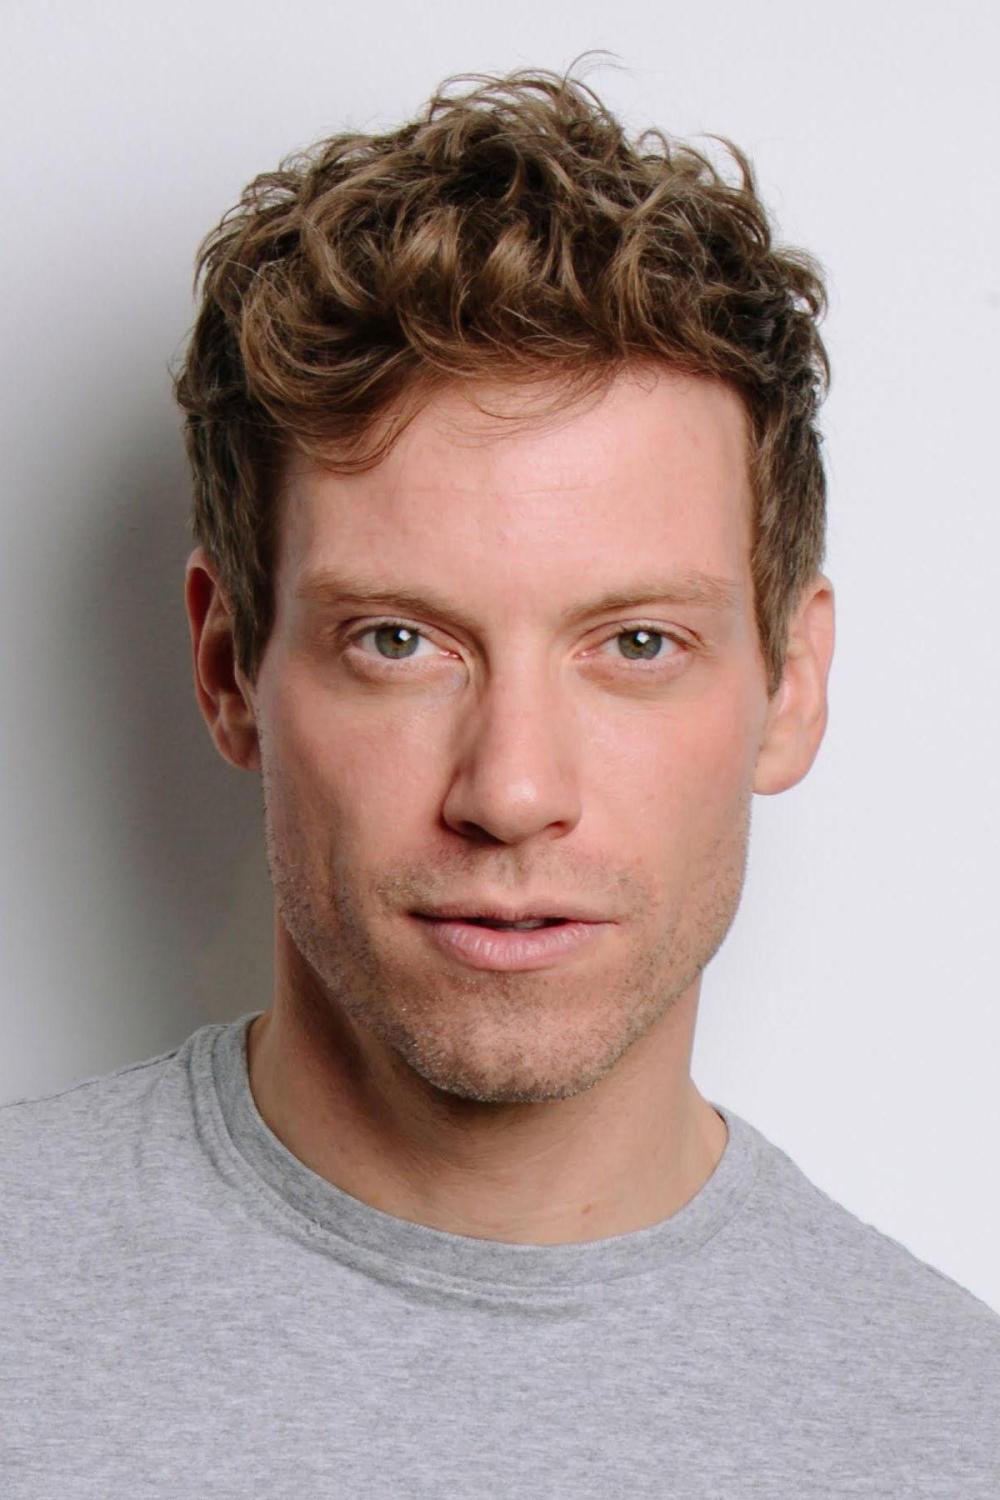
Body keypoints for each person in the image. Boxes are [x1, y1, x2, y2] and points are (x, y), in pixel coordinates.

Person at [3, 65, 998, 1497]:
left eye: (637, 644)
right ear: (229, 669)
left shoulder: (953, 1437)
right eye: (399, 641)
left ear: (792, 683)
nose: (513, 790)